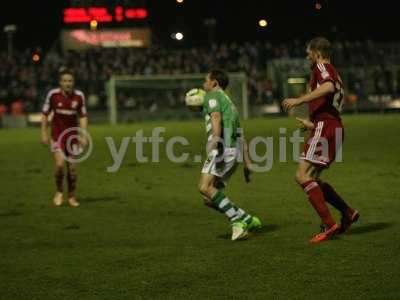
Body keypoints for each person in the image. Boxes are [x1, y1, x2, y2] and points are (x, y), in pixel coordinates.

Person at [282, 37, 359, 244]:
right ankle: (348, 212)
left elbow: (328, 87)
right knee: (312, 178)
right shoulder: (332, 70)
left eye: (308, 52)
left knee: (302, 175)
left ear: (316, 53)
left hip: (326, 127)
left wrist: (299, 100)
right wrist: (311, 123)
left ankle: (329, 224)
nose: (307, 56)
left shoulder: (321, 66)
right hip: (331, 126)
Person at [197, 69, 262, 241]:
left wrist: (216, 142)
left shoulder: (212, 95)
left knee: (204, 187)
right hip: (234, 152)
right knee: (209, 197)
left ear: (215, 83)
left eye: (206, 81)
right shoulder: (230, 103)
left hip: (222, 149)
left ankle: (237, 222)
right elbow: (240, 133)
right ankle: (247, 219)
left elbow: (216, 117)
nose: (204, 84)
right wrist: (247, 162)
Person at [41, 69, 88, 207]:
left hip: (72, 138)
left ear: (73, 82)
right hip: (57, 136)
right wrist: (43, 132)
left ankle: (72, 196)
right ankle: (59, 191)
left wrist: (83, 135)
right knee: (59, 166)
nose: (68, 83)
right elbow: (44, 114)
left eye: (70, 81)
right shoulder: (53, 95)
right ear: (60, 82)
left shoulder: (79, 96)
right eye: (65, 81)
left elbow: (83, 116)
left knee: (72, 170)